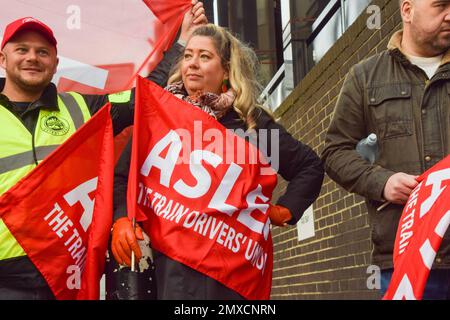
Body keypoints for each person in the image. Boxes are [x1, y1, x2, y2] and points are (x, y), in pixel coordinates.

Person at [0, 1, 207, 300]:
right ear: (3, 58)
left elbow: (144, 98)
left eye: (42, 52)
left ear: (55, 63)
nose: (32, 58)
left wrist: (184, 41)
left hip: (70, 275)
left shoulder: (80, 108)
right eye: (22, 49)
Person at [112, 24, 324, 299]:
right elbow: (122, 176)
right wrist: (121, 219)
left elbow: (309, 166)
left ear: (225, 70)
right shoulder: (159, 118)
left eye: (204, 56)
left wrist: (283, 211)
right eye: (188, 56)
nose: (193, 64)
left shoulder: (250, 126)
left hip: (231, 278)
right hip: (168, 273)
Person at [321, 0, 450, 299]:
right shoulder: (365, 78)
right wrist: (383, 183)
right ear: (407, 10)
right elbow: (336, 152)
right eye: (440, 5)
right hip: (402, 260)